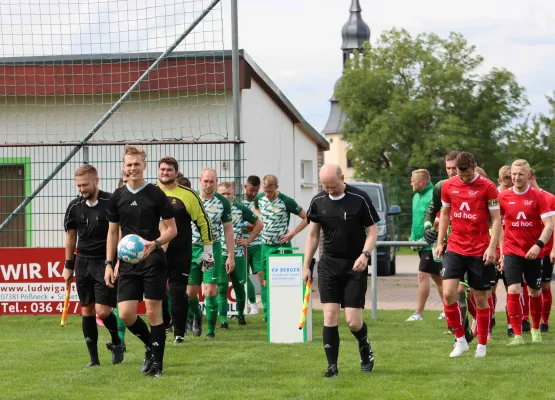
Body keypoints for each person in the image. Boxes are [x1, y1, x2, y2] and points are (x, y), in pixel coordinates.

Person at [105, 145, 177, 377]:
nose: (133, 168)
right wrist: (109, 263)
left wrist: (154, 244)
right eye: (129, 165)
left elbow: (172, 230)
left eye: (137, 164)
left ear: (144, 166)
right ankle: (149, 346)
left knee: (153, 313)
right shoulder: (117, 196)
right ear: (124, 168)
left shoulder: (156, 194)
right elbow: (113, 233)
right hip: (127, 262)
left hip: (153, 259)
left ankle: (157, 365)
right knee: (125, 314)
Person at [303, 164, 379, 378]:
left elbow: (372, 231)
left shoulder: (360, 198)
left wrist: (365, 254)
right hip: (328, 264)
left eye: (333, 186)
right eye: (325, 186)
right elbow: (313, 236)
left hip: (355, 264)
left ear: (343, 178)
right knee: (330, 316)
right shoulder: (318, 201)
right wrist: (306, 265)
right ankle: (332, 368)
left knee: (353, 321)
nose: (329, 191)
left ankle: (364, 346)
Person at [435, 152, 501, 358]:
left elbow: (497, 219)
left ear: (474, 166)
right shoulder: (449, 186)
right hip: (455, 247)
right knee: (448, 293)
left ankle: (482, 345)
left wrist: (492, 247)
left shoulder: (488, 187)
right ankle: (461, 340)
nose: (462, 178)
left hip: (479, 249)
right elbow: (445, 214)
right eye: (460, 174)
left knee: (481, 298)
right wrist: (440, 242)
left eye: (466, 174)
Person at [63, 164, 124, 368]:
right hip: (83, 263)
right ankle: (94, 360)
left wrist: (116, 262)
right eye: (79, 185)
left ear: (96, 181)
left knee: (103, 311)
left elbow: (118, 233)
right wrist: (68, 265)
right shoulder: (74, 206)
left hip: (104, 263)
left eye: (85, 184)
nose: (82, 189)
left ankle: (116, 341)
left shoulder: (110, 202)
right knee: (87, 310)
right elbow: (71, 238)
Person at [157, 157, 213, 344]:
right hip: (155, 250)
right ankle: (163, 326)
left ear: (175, 172)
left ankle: (179, 333)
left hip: (181, 251)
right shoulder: (150, 192)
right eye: (162, 169)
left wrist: (208, 250)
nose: (165, 173)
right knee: (158, 291)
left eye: (169, 170)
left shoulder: (188, 195)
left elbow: (203, 222)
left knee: (178, 291)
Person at [499, 160, 554, 345]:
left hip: (534, 252)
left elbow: (549, 225)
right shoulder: (504, 197)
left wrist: (538, 245)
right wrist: (499, 250)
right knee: (513, 289)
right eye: (514, 174)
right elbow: (497, 225)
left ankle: (536, 330)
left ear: (528, 175)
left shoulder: (538, 196)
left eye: (520, 174)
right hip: (511, 251)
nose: (516, 177)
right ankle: (517, 335)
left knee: (534, 291)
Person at [423, 151, 473, 341]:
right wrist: (428, 228)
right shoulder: (441, 187)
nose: (452, 172)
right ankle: (461, 331)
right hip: (449, 246)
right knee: (453, 290)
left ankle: (478, 323)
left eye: (455, 168)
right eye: (448, 168)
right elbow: (431, 210)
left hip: (472, 245)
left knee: (474, 293)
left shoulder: (474, 186)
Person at [187, 168, 235, 338]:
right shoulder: (191, 199)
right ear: (200, 180)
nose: (208, 185)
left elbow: (228, 230)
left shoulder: (222, 201)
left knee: (210, 291)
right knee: (190, 293)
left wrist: (230, 254)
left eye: (212, 181)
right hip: (191, 248)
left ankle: (211, 332)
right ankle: (196, 315)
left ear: (216, 181)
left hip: (210, 249)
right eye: (205, 181)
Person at [253, 174, 308, 321]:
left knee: (285, 280)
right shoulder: (259, 198)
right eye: (265, 191)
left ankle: (287, 310)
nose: (267, 194)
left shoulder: (286, 201)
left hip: (282, 245)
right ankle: (268, 314)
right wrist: (260, 217)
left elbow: (307, 217)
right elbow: (255, 207)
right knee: (264, 280)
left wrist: (293, 233)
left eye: (270, 191)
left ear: (276, 188)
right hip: (265, 245)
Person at [217, 181, 263, 325]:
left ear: (233, 194)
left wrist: (248, 240)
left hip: (237, 255)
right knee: (222, 286)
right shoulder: (212, 208)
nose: (225, 196)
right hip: (219, 254)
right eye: (222, 194)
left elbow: (259, 224)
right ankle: (223, 320)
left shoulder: (240, 209)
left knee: (239, 286)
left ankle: (240, 315)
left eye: (228, 193)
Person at [406, 169, 443, 321]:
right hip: (420, 245)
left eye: (412, 181)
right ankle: (449, 308)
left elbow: (439, 218)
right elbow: (416, 220)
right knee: (437, 277)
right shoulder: (415, 197)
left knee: (423, 275)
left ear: (420, 182)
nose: (410, 183)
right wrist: (412, 239)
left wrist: (425, 239)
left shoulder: (433, 195)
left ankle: (418, 313)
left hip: (430, 245)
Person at [530, 170, 555, 332]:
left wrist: (553, 249)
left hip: (545, 250)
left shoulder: (550, 198)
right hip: (527, 252)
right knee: (530, 288)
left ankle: (544, 322)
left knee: (545, 286)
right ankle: (529, 321)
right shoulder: (522, 198)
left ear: (531, 177)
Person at [242, 175, 262, 314]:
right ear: (245, 187)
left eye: (256, 190)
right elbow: (236, 223)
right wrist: (250, 225)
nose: (254, 193)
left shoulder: (260, 202)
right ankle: (252, 304)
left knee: (261, 275)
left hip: (258, 243)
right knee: (244, 277)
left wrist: (252, 225)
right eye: (251, 190)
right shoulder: (239, 202)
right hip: (242, 244)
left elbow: (261, 223)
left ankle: (265, 309)